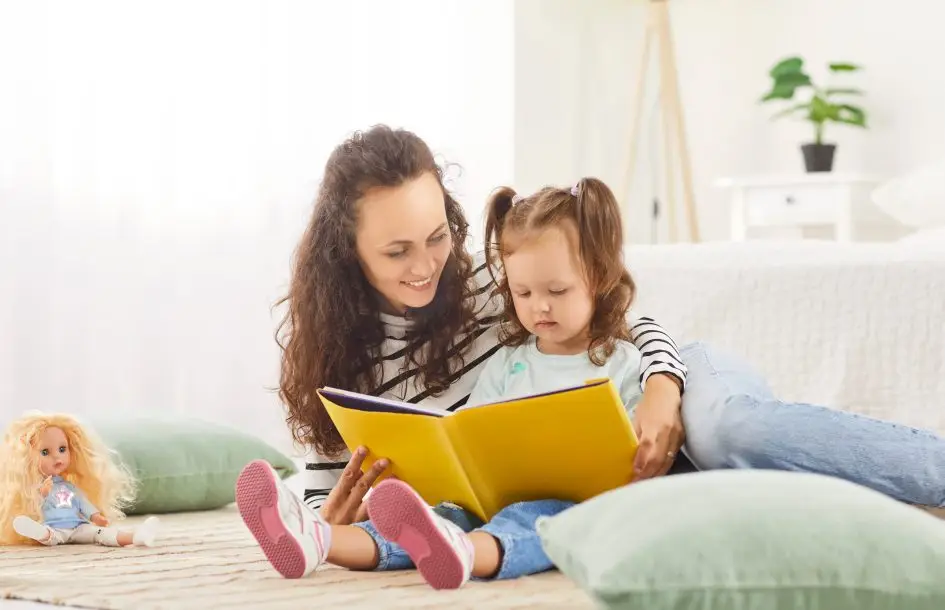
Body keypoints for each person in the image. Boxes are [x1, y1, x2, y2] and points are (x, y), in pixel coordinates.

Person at [234, 124, 945, 582]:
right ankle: (315, 547)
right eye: (396, 251)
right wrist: (330, 519)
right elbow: (329, 472)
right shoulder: (335, 350)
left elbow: (624, 324)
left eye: (437, 237)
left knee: (730, 431)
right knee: (460, 515)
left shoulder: (495, 279)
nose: (426, 265)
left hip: (664, 374)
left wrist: (664, 385)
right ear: (346, 250)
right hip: (537, 485)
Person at [363, 177, 650, 589]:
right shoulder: (508, 365)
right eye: (523, 292)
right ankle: (328, 540)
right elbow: (472, 434)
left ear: (600, 277)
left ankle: (465, 552)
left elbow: (640, 454)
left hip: (580, 510)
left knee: (535, 520)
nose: (540, 306)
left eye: (557, 290)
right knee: (442, 513)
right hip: (496, 504)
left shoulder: (622, 364)